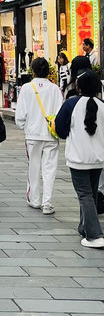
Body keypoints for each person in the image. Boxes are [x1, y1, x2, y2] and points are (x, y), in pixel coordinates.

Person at [55, 70, 104, 248]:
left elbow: (60, 128)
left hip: (78, 157)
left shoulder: (71, 104)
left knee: (84, 195)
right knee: (90, 193)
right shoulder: (102, 104)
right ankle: (84, 227)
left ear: (79, 87)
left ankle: (94, 235)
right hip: (98, 158)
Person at [14, 57, 63, 214]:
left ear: (32, 71)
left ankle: (34, 199)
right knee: (50, 169)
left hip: (33, 134)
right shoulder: (55, 89)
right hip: (51, 134)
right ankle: (47, 203)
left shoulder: (27, 88)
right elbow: (60, 113)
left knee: (33, 167)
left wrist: (23, 125)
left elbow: (20, 116)